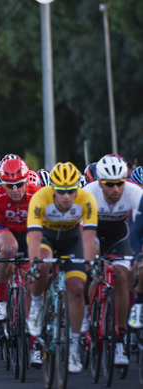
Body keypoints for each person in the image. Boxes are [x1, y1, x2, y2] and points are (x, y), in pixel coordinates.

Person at [26, 162, 98, 374]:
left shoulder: (86, 199)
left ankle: (74, 345)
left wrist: (89, 265)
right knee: (42, 267)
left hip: (72, 240)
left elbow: (89, 237)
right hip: (46, 238)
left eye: (71, 191)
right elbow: (34, 237)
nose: (67, 196)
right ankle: (37, 305)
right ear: (53, 189)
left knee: (76, 289)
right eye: (61, 191)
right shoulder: (40, 198)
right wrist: (34, 264)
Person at [84, 155, 142, 366]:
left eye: (120, 183)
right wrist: (90, 262)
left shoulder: (135, 193)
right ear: (100, 182)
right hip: (93, 233)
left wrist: (138, 256)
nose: (116, 189)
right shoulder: (88, 193)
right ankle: (87, 318)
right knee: (89, 274)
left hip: (121, 235)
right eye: (110, 184)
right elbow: (86, 234)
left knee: (122, 277)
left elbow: (140, 229)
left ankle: (119, 339)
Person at [0, 157, 39, 357]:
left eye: (19, 185)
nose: (14, 190)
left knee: (34, 285)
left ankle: (34, 341)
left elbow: (46, 232)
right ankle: (1, 300)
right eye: (9, 185)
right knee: (5, 252)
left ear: (27, 182)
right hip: (4, 234)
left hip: (29, 235)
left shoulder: (37, 194)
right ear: (2, 183)